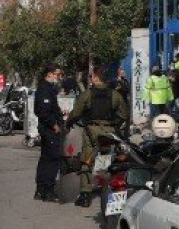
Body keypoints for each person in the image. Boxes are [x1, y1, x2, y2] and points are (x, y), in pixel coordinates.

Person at [64, 65, 130, 208]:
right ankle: (112, 189)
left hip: (92, 130)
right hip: (110, 132)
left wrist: (68, 123)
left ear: (95, 77)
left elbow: (76, 113)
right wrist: (115, 126)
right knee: (112, 160)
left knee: (87, 161)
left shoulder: (87, 94)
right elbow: (124, 115)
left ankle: (85, 195)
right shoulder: (115, 95)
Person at [33, 64, 65, 202]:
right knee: (53, 160)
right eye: (57, 75)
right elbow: (43, 112)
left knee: (45, 158)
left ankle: (40, 190)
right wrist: (54, 125)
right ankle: (48, 191)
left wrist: (60, 113)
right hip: (49, 130)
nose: (58, 78)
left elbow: (46, 109)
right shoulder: (45, 89)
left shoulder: (47, 88)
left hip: (47, 129)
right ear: (50, 74)